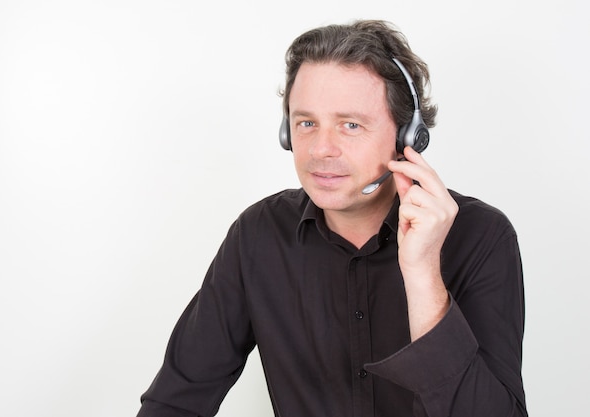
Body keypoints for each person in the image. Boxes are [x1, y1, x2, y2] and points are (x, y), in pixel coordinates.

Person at [137, 19, 527, 417]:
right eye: (306, 123)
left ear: (408, 136)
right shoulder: (257, 235)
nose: (321, 149)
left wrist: (424, 274)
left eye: (351, 125)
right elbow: (175, 401)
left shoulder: (481, 236)